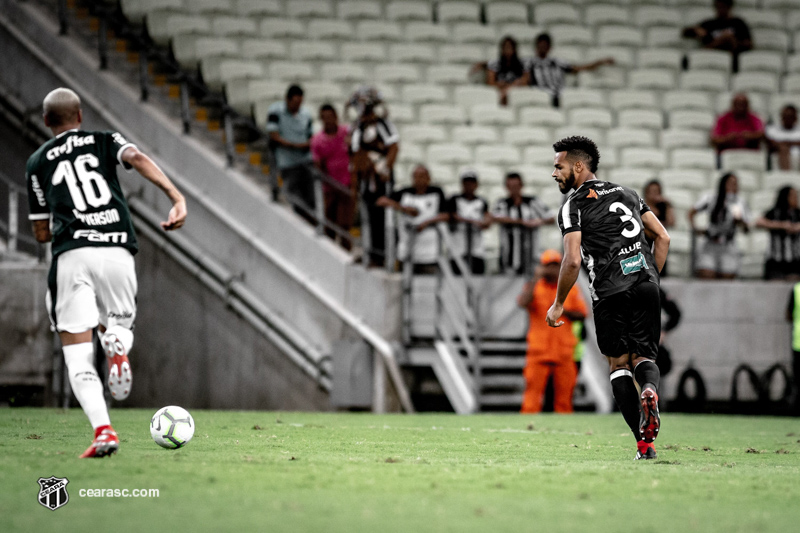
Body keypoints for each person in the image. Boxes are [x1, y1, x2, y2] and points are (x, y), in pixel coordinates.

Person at [25, 88, 187, 458]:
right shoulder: (103, 140)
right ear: (80, 116)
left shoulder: (37, 162)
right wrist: (176, 198)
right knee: (118, 323)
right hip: (116, 249)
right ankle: (116, 339)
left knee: (78, 357)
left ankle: (104, 432)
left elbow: (40, 233)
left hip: (72, 255)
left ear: (47, 120)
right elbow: (137, 156)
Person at [547, 136, 670, 461]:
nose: (554, 173)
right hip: (646, 283)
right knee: (644, 358)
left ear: (578, 165)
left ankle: (645, 446)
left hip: (609, 290)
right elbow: (663, 237)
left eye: (558, 166)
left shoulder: (572, 207)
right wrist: (650, 278)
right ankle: (649, 391)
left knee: (618, 366)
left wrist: (558, 302)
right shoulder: (628, 193)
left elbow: (572, 260)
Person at [517, 250, 588, 414]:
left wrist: (561, 309)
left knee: (564, 401)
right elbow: (523, 302)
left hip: (564, 351)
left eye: (556, 266)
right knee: (531, 399)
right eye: (548, 266)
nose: (552, 270)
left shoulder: (570, 288)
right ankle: (525, 432)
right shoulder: (535, 287)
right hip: (538, 350)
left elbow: (582, 314)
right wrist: (535, 278)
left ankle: (564, 435)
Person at [350, 88, 400, 267]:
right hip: (365, 179)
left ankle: (386, 254)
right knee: (367, 216)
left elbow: (393, 146)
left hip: (380, 179)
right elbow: (355, 153)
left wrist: (384, 169)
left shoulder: (383, 125)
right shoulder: (356, 127)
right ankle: (369, 252)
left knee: (383, 215)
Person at [376, 165, 448, 273]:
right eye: (416, 177)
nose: (419, 180)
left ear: (429, 178)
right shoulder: (405, 192)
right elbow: (381, 201)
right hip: (407, 252)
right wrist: (404, 209)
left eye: (422, 176)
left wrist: (426, 223)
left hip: (431, 253)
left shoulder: (436, 193)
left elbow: (445, 215)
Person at [689, 172, 751, 279]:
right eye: (730, 183)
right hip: (710, 243)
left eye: (735, 184)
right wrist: (696, 228)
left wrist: (740, 221)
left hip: (728, 244)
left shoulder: (740, 203)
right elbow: (691, 212)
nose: (733, 187)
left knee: (727, 276)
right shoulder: (711, 199)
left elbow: (746, 229)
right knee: (707, 274)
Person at [526, 33, 615, 108]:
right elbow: (525, 78)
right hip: (540, 94)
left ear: (549, 47)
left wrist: (599, 62)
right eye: (541, 45)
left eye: (545, 45)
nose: (542, 48)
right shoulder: (530, 63)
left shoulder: (557, 62)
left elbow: (579, 68)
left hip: (559, 95)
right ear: (536, 46)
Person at [492, 172, 555, 275]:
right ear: (506, 187)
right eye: (510, 186)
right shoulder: (502, 203)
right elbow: (496, 217)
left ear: (521, 186)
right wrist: (523, 222)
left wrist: (538, 222)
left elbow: (550, 218)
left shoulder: (532, 201)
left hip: (531, 255)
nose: (514, 189)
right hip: (509, 257)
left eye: (516, 186)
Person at [267, 85, 315, 217]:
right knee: (294, 195)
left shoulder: (305, 113)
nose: (297, 107)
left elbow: (311, 136)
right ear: (287, 100)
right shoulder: (275, 111)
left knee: (311, 197)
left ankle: (310, 219)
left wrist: (305, 145)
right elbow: (273, 134)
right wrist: (294, 145)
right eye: (294, 103)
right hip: (288, 162)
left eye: (300, 103)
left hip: (305, 160)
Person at [310, 104, 353, 249]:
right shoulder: (317, 140)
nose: (328, 120)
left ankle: (346, 251)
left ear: (336, 117)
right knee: (330, 223)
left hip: (347, 185)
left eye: (331, 117)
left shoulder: (346, 133)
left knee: (345, 224)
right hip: (330, 188)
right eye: (325, 118)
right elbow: (317, 164)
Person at [682, 0, 752, 70]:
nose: (720, 10)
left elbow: (748, 44)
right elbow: (685, 32)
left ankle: (707, 49)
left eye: (723, 7)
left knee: (728, 38)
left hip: (732, 57)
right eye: (718, 7)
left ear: (729, 8)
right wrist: (696, 30)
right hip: (711, 56)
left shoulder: (738, 23)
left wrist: (732, 41)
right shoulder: (709, 24)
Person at [447, 171, 492, 274]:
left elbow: (487, 220)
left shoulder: (481, 201)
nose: (469, 186)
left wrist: (484, 222)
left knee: (477, 278)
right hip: (458, 249)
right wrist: (473, 221)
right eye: (466, 183)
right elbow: (452, 216)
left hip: (476, 249)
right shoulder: (454, 199)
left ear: (476, 185)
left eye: (471, 183)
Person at [756, 186, 800, 280]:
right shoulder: (775, 212)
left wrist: (796, 227)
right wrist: (781, 225)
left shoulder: (797, 213)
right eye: (793, 196)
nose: (796, 199)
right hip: (776, 260)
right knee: (775, 287)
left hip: (794, 259)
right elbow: (759, 222)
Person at [485, 36, 530, 106]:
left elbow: (524, 82)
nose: (507, 51)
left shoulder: (522, 64)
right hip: (500, 92)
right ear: (502, 49)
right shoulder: (494, 64)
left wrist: (510, 87)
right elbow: (490, 83)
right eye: (505, 48)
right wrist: (500, 85)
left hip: (516, 92)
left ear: (514, 49)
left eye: (510, 48)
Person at [643, 180, 675, 276]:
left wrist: (668, 205)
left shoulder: (663, 208)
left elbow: (671, 222)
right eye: (652, 191)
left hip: (659, 244)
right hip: (645, 244)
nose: (654, 194)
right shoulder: (641, 207)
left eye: (656, 192)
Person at [766, 105, 800, 171]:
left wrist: (785, 143)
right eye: (785, 116)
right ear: (781, 117)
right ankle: (786, 175)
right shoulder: (772, 130)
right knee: (783, 149)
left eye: (790, 117)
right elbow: (771, 143)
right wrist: (793, 143)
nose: (788, 119)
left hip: (798, 157)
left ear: (795, 118)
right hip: (779, 157)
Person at [787, 282, 800, 414]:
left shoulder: (796, 289)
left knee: (797, 379)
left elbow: (788, 315)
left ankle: (795, 409)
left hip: (798, 341)